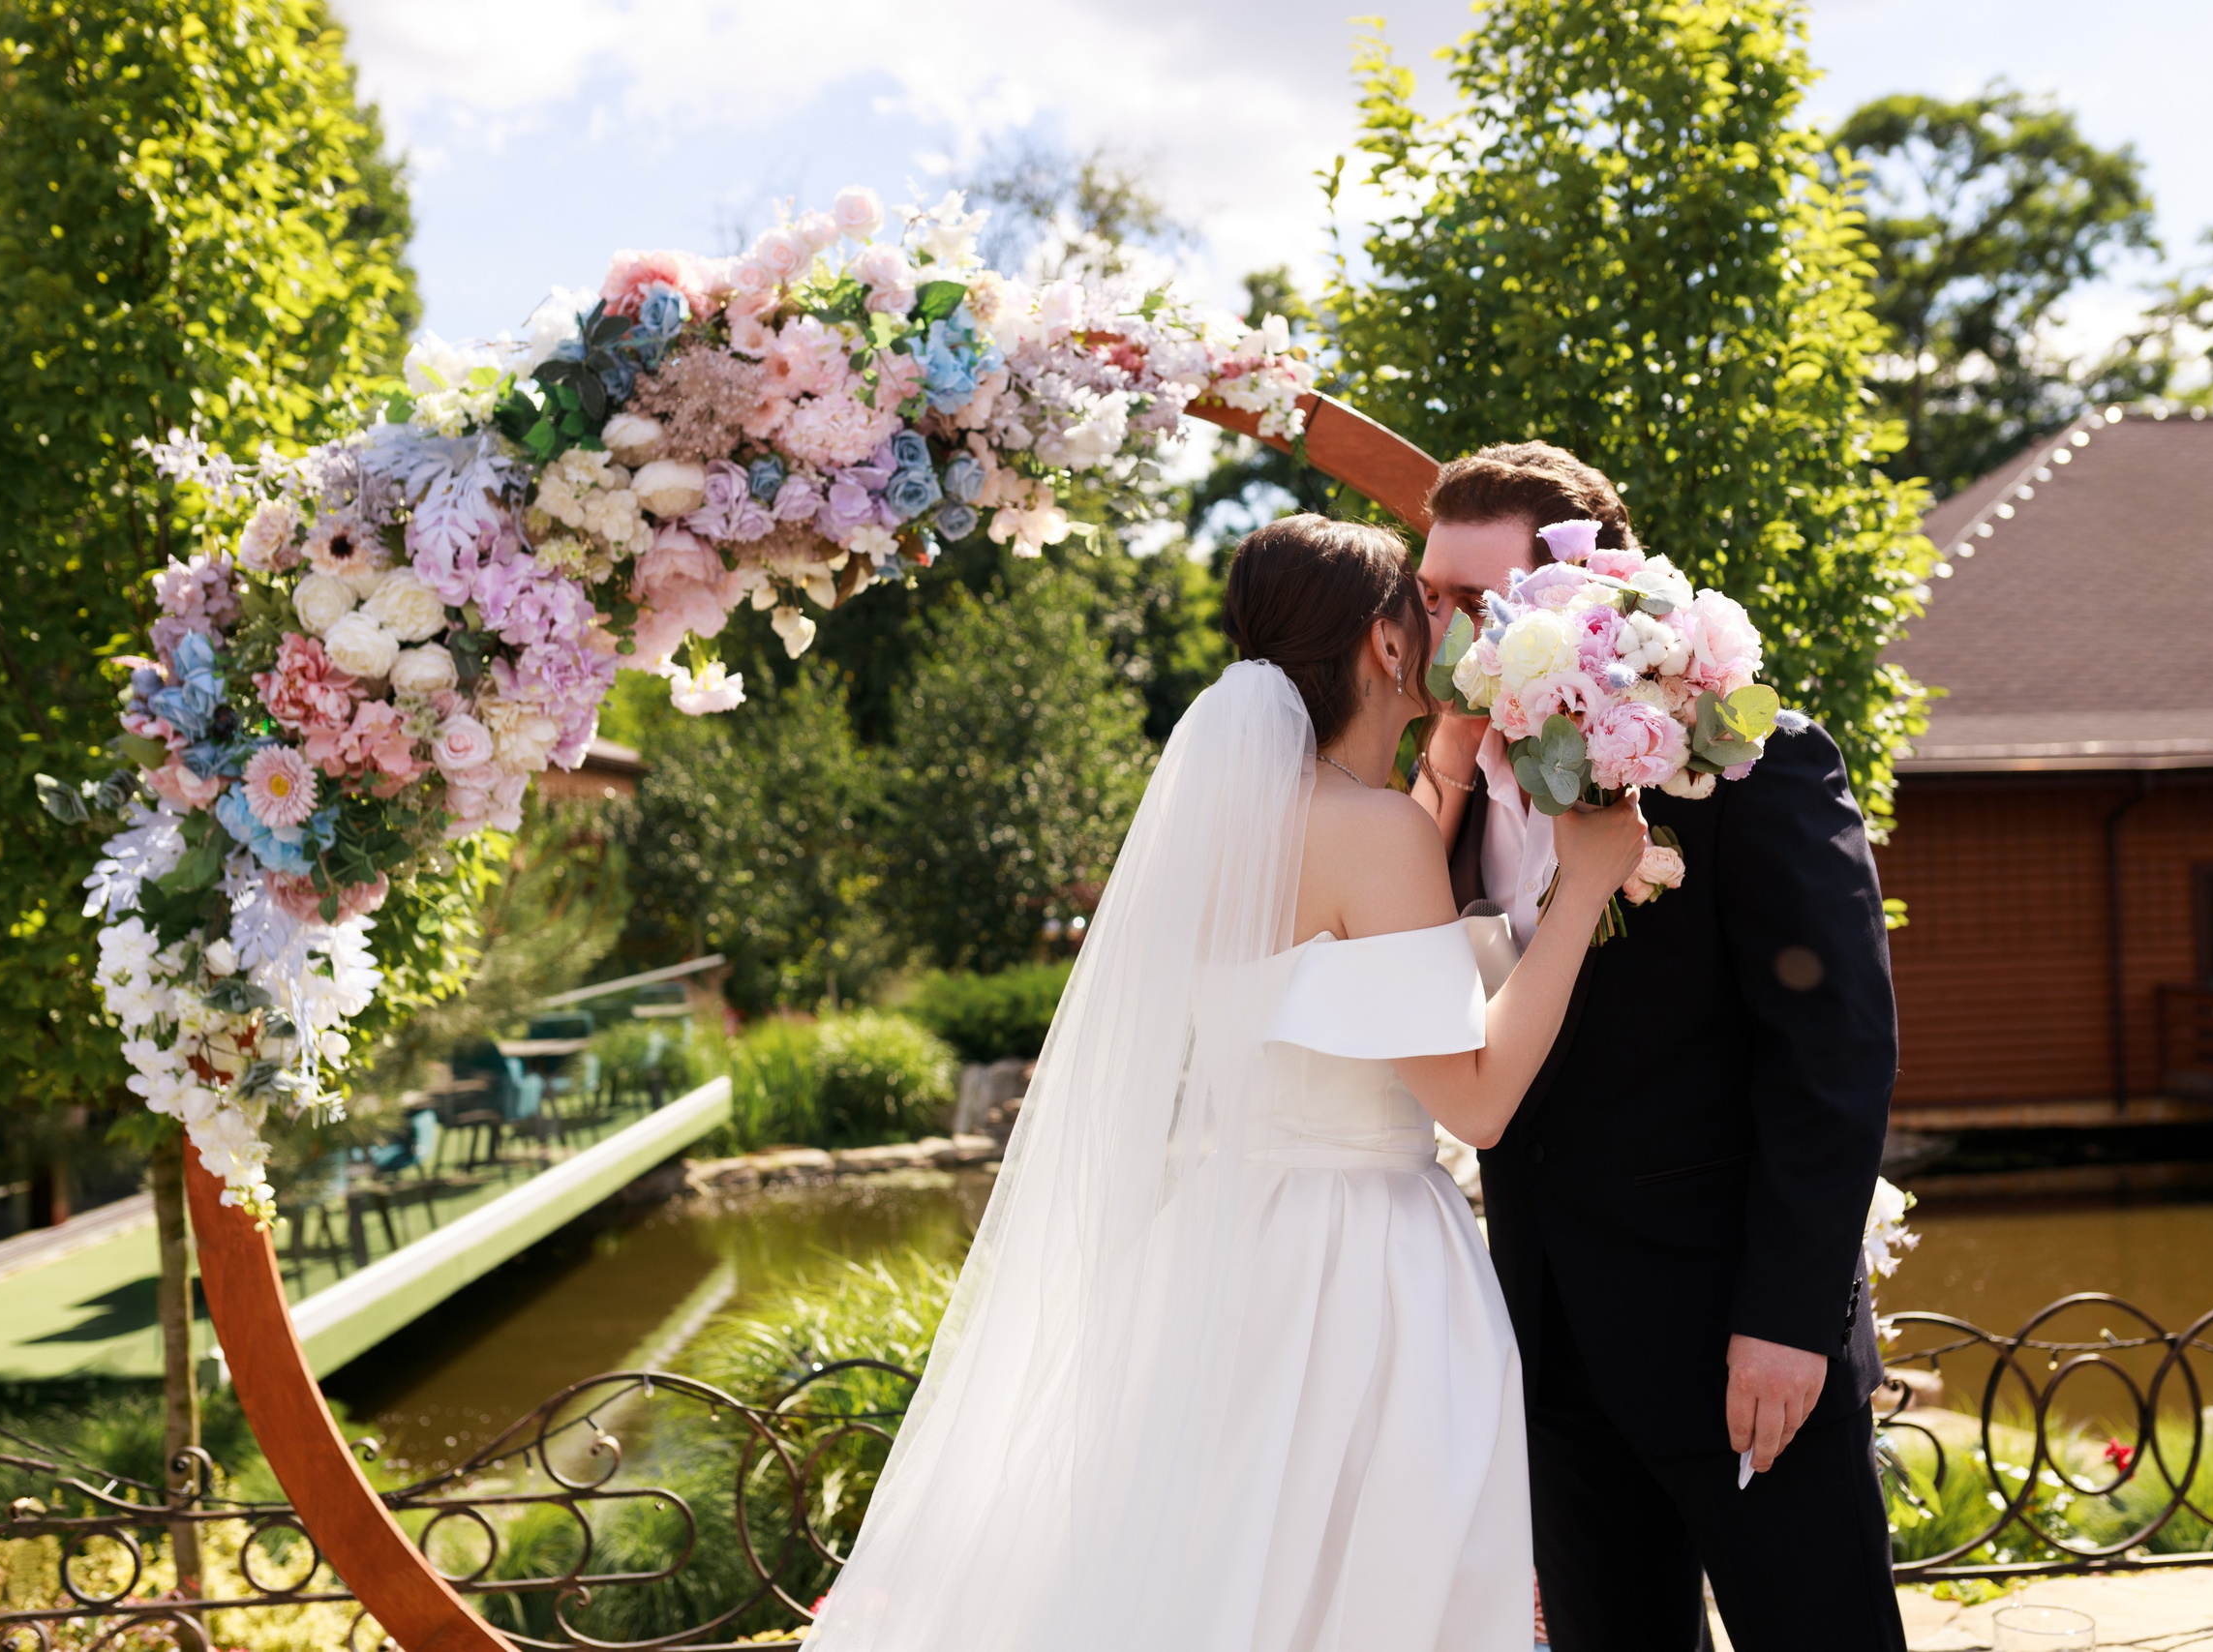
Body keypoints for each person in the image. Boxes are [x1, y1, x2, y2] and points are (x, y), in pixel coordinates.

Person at [806, 514, 1649, 1652]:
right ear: (1386, 648)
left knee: (1232, 1571)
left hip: (1232, 1236)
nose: (1445, 626)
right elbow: (1478, 1101)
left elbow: (1338, 960)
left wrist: (1439, 780)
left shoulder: (1237, 827)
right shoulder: (1368, 833)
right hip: (1365, 1269)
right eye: (1423, 603)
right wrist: (1585, 887)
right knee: (1368, 1581)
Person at [1410, 442, 1906, 1651]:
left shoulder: (1748, 761)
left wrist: (1790, 1320)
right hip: (1552, 1352)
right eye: (1430, 598)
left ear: (1577, 601)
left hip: (1738, 1347)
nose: (1439, 629)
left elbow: (1834, 1054)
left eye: (1473, 602)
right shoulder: (1446, 797)